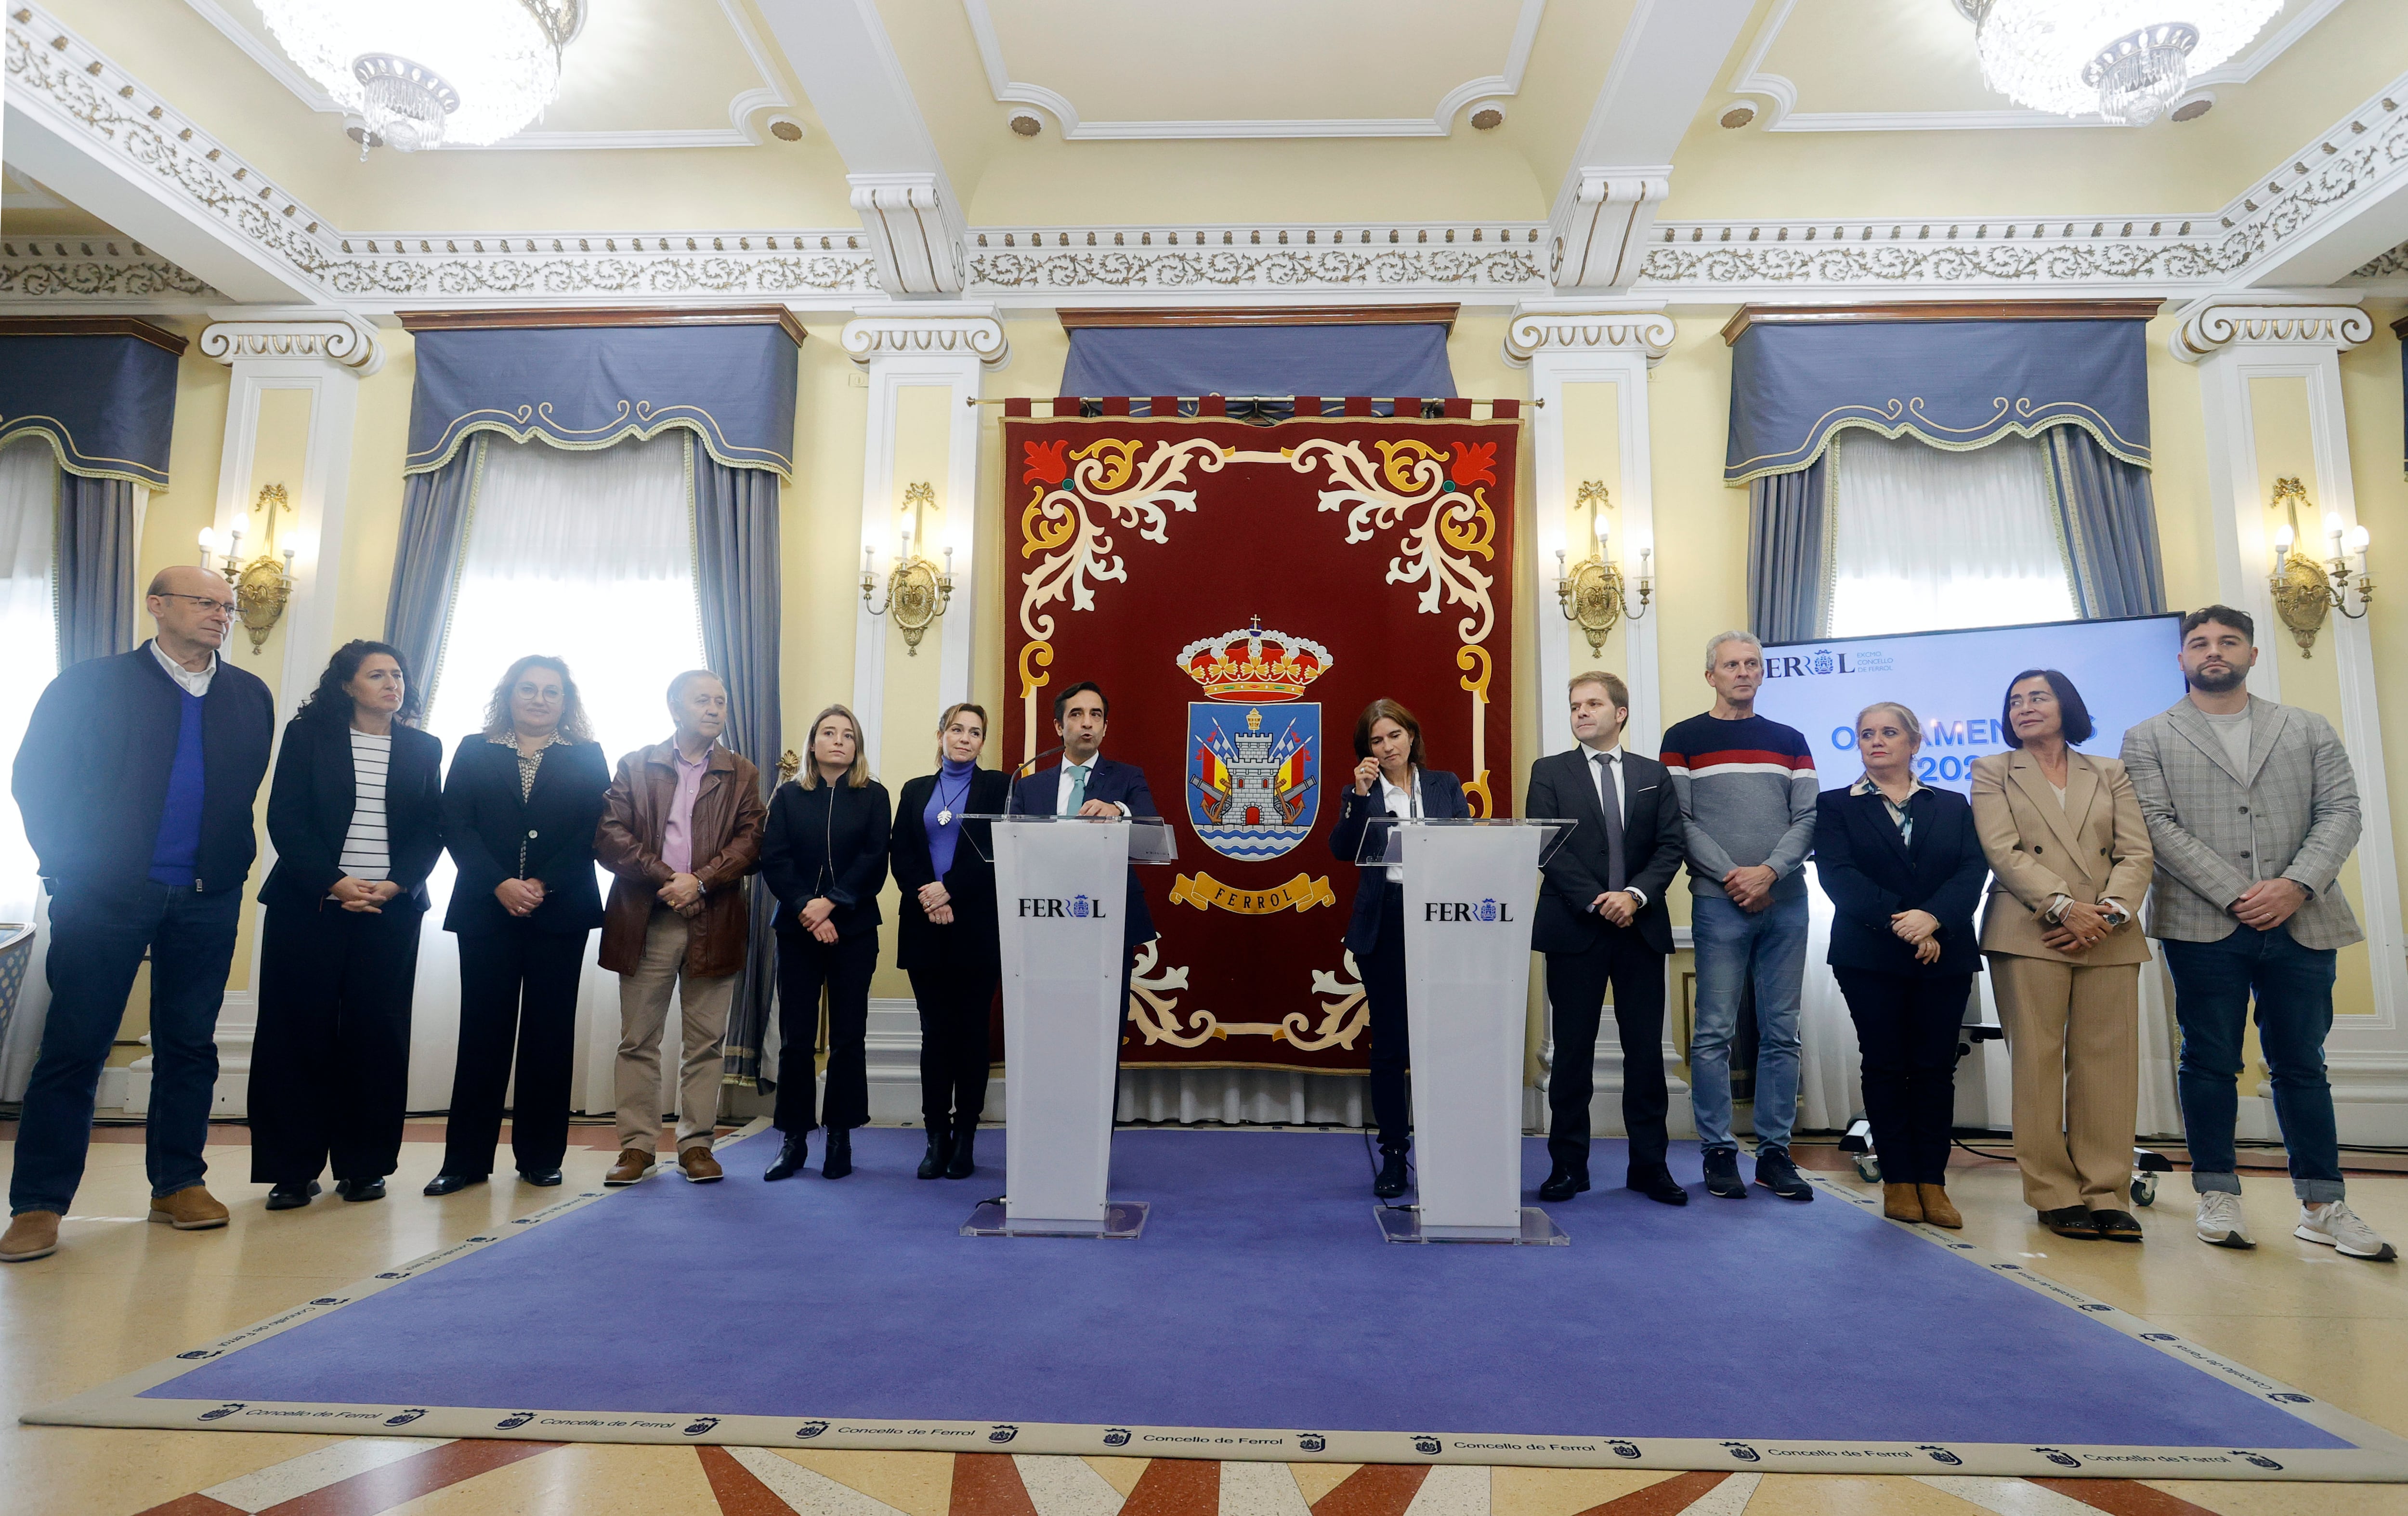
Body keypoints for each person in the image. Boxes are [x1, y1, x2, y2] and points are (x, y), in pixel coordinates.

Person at [2, 568, 273, 1264]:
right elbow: (36, 779)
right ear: (157, 606)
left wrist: (230, 868)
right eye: (204, 603)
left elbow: (240, 794)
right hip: (104, 895)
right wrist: (71, 865)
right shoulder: (89, 684)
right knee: (75, 1047)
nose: (221, 615)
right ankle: (37, 1203)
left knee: (190, 1046)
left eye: (227, 606)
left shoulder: (250, 695)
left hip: (207, 898)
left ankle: (178, 1184)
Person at [2122, 605, 2393, 1262]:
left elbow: (2342, 812)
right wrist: (2239, 894)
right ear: (2182, 659)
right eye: (2200, 643)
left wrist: (2294, 886)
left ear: (2251, 654)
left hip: (2305, 920)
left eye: (2228, 641)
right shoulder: (2148, 736)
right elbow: (2155, 826)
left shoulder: (2306, 727)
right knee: (2209, 1060)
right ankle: (2218, 1192)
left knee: (2304, 1065)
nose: (2214, 651)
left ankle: (2323, 1205)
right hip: (2202, 925)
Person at [249, 640, 444, 1212]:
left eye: (398, 674)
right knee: (296, 1032)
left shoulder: (423, 746)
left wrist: (395, 882)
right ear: (347, 685)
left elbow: (432, 828)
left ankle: (365, 1167)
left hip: (389, 908)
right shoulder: (308, 737)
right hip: (310, 904)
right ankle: (291, 1169)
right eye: (378, 674)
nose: (393, 684)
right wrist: (334, 882)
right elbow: (285, 815)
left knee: (376, 1037)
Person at [1971, 669, 2155, 1243]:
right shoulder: (1992, 770)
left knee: (2108, 1067)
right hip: (2028, 930)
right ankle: (2052, 1193)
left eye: (2037, 696)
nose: (2024, 707)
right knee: (2037, 1062)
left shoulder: (2109, 771)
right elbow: (2001, 849)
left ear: (2064, 705)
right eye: (2014, 700)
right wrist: (2060, 907)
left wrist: (2105, 914)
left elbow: (2135, 851)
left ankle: (2106, 1193)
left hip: (2108, 930)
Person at [425, 656, 610, 1197]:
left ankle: (539, 1157)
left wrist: (541, 885)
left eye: (551, 692)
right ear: (508, 695)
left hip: (561, 912)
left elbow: (595, 829)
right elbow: (453, 822)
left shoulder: (587, 756)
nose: (538, 698)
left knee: (549, 1037)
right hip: (486, 909)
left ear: (565, 702)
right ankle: (464, 1160)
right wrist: (499, 883)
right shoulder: (474, 749)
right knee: (482, 1034)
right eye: (528, 689)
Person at [1814, 703, 1989, 1228]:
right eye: (1866, 734)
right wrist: (1907, 924)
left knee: (1935, 1068)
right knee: (1886, 1064)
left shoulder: (1954, 804)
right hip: (1867, 955)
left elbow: (1970, 870)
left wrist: (1932, 919)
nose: (1875, 741)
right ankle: (1896, 1180)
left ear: (1914, 742)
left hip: (1946, 949)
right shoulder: (1834, 806)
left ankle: (1932, 1182)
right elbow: (1839, 878)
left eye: (1888, 732)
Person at [1660, 631, 1819, 1203]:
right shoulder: (1683, 738)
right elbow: (1678, 821)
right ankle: (1718, 1151)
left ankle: (1774, 1154)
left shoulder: (1790, 740)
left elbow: (1807, 817)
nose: (1743, 672)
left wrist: (1768, 873)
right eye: (1731, 664)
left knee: (1782, 1031)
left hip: (1786, 900)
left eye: (1752, 664)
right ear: (1711, 675)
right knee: (1712, 1033)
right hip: (1716, 900)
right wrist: (1734, 875)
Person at [593, 670, 766, 1188]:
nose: (715, 709)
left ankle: (696, 1145)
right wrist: (670, 879)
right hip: (645, 918)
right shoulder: (637, 763)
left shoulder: (742, 772)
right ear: (675, 706)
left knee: (706, 1042)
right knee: (638, 1039)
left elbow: (752, 840)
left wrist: (702, 882)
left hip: (714, 920)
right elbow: (608, 835)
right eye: (703, 700)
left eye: (721, 701)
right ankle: (636, 1147)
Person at [1527, 671, 1687, 1206]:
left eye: (1593, 703)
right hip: (1576, 928)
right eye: (1574, 705)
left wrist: (1634, 896)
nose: (1581, 712)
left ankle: (1649, 1167)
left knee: (1645, 1054)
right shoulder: (1548, 771)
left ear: (1619, 712)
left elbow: (1670, 847)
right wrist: (1599, 899)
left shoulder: (1652, 774)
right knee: (1572, 1055)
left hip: (1639, 929)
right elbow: (1546, 846)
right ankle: (1567, 1167)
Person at [1329, 698, 1469, 1200]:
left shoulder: (1443, 785)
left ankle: (1447, 1148)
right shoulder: (1359, 792)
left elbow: (1464, 845)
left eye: (1393, 736)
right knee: (1389, 1043)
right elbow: (1342, 849)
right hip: (1384, 920)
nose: (1386, 747)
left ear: (1411, 736)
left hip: (1438, 917)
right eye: (1375, 740)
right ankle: (1393, 1154)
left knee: (1440, 1041)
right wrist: (1361, 795)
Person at [759, 704, 890, 1181]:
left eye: (847, 735)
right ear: (813, 743)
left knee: (847, 1038)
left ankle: (840, 1135)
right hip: (797, 929)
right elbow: (773, 858)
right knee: (796, 1040)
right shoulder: (789, 796)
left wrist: (831, 903)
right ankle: (793, 1140)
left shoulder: (874, 795)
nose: (838, 741)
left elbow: (875, 860)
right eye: (828, 733)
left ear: (856, 747)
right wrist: (807, 909)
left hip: (854, 929)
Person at [1007, 680, 1161, 1048]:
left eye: (1096, 715)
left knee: (1104, 1032)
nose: (1087, 723)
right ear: (1060, 727)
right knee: (1048, 1029)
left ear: (1105, 727)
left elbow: (1152, 830)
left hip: (1107, 919)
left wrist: (1119, 811)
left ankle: (1102, 1108)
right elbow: (1011, 851)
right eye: (1077, 715)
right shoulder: (1030, 786)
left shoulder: (1127, 778)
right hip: (1042, 917)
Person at [891, 703, 1010, 1180]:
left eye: (975, 732)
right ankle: (934, 1138)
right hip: (924, 924)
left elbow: (1002, 851)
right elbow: (901, 852)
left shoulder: (1000, 787)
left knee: (970, 1036)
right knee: (935, 1035)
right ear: (940, 734)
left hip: (977, 926)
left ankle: (964, 1141)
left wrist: (951, 889)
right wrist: (928, 893)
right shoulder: (915, 790)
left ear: (983, 742)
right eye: (956, 729)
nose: (964, 738)